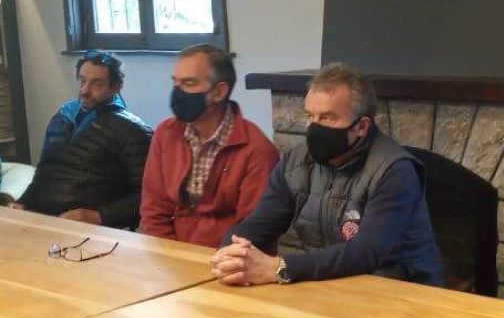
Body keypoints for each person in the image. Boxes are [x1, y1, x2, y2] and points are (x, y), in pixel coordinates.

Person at [208, 61, 443, 288]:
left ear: (362, 126)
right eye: (310, 116)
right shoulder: (296, 161)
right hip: (329, 284)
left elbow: (365, 253)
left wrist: (280, 268)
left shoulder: (395, 170)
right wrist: (230, 253)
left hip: (401, 291)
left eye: (327, 118)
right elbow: (261, 223)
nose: (314, 127)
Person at [140, 44, 279, 248]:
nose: (178, 91)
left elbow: (252, 230)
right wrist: (168, 255)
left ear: (219, 92)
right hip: (172, 252)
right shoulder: (166, 133)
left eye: (189, 83)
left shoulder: (256, 149)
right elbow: (154, 209)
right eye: (175, 82)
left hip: (229, 257)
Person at [14, 50, 150, 228]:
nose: (85, 90)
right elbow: (44, 174)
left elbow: (149, 196)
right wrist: (22, 202)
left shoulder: (132, 130)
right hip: (40, 221)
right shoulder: (61, 119)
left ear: (116, 87)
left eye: (97, 84)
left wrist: (99, 216)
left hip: (89, 231)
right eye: (82, 81)